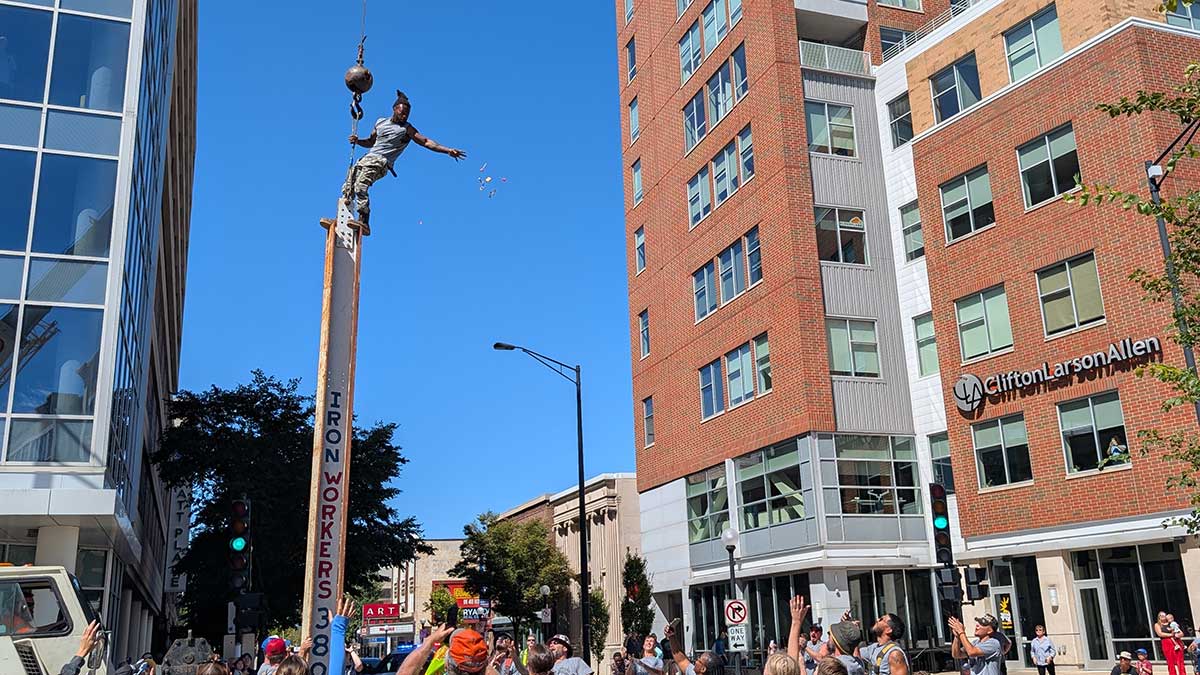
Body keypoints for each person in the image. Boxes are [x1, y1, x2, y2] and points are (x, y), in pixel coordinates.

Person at [343, 90, 467, 227]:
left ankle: (364, 219)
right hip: (366, 159)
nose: (404, 116)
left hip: (380, 162)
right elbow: (370, 142)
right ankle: (343, 218)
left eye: (407, 114)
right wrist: (358, 141)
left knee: (361, 186)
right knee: (347, 188)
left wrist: (447, 150)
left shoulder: (407, 129)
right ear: (394, 109)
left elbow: (426, 142)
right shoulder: (380, 122)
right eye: (402, 113)